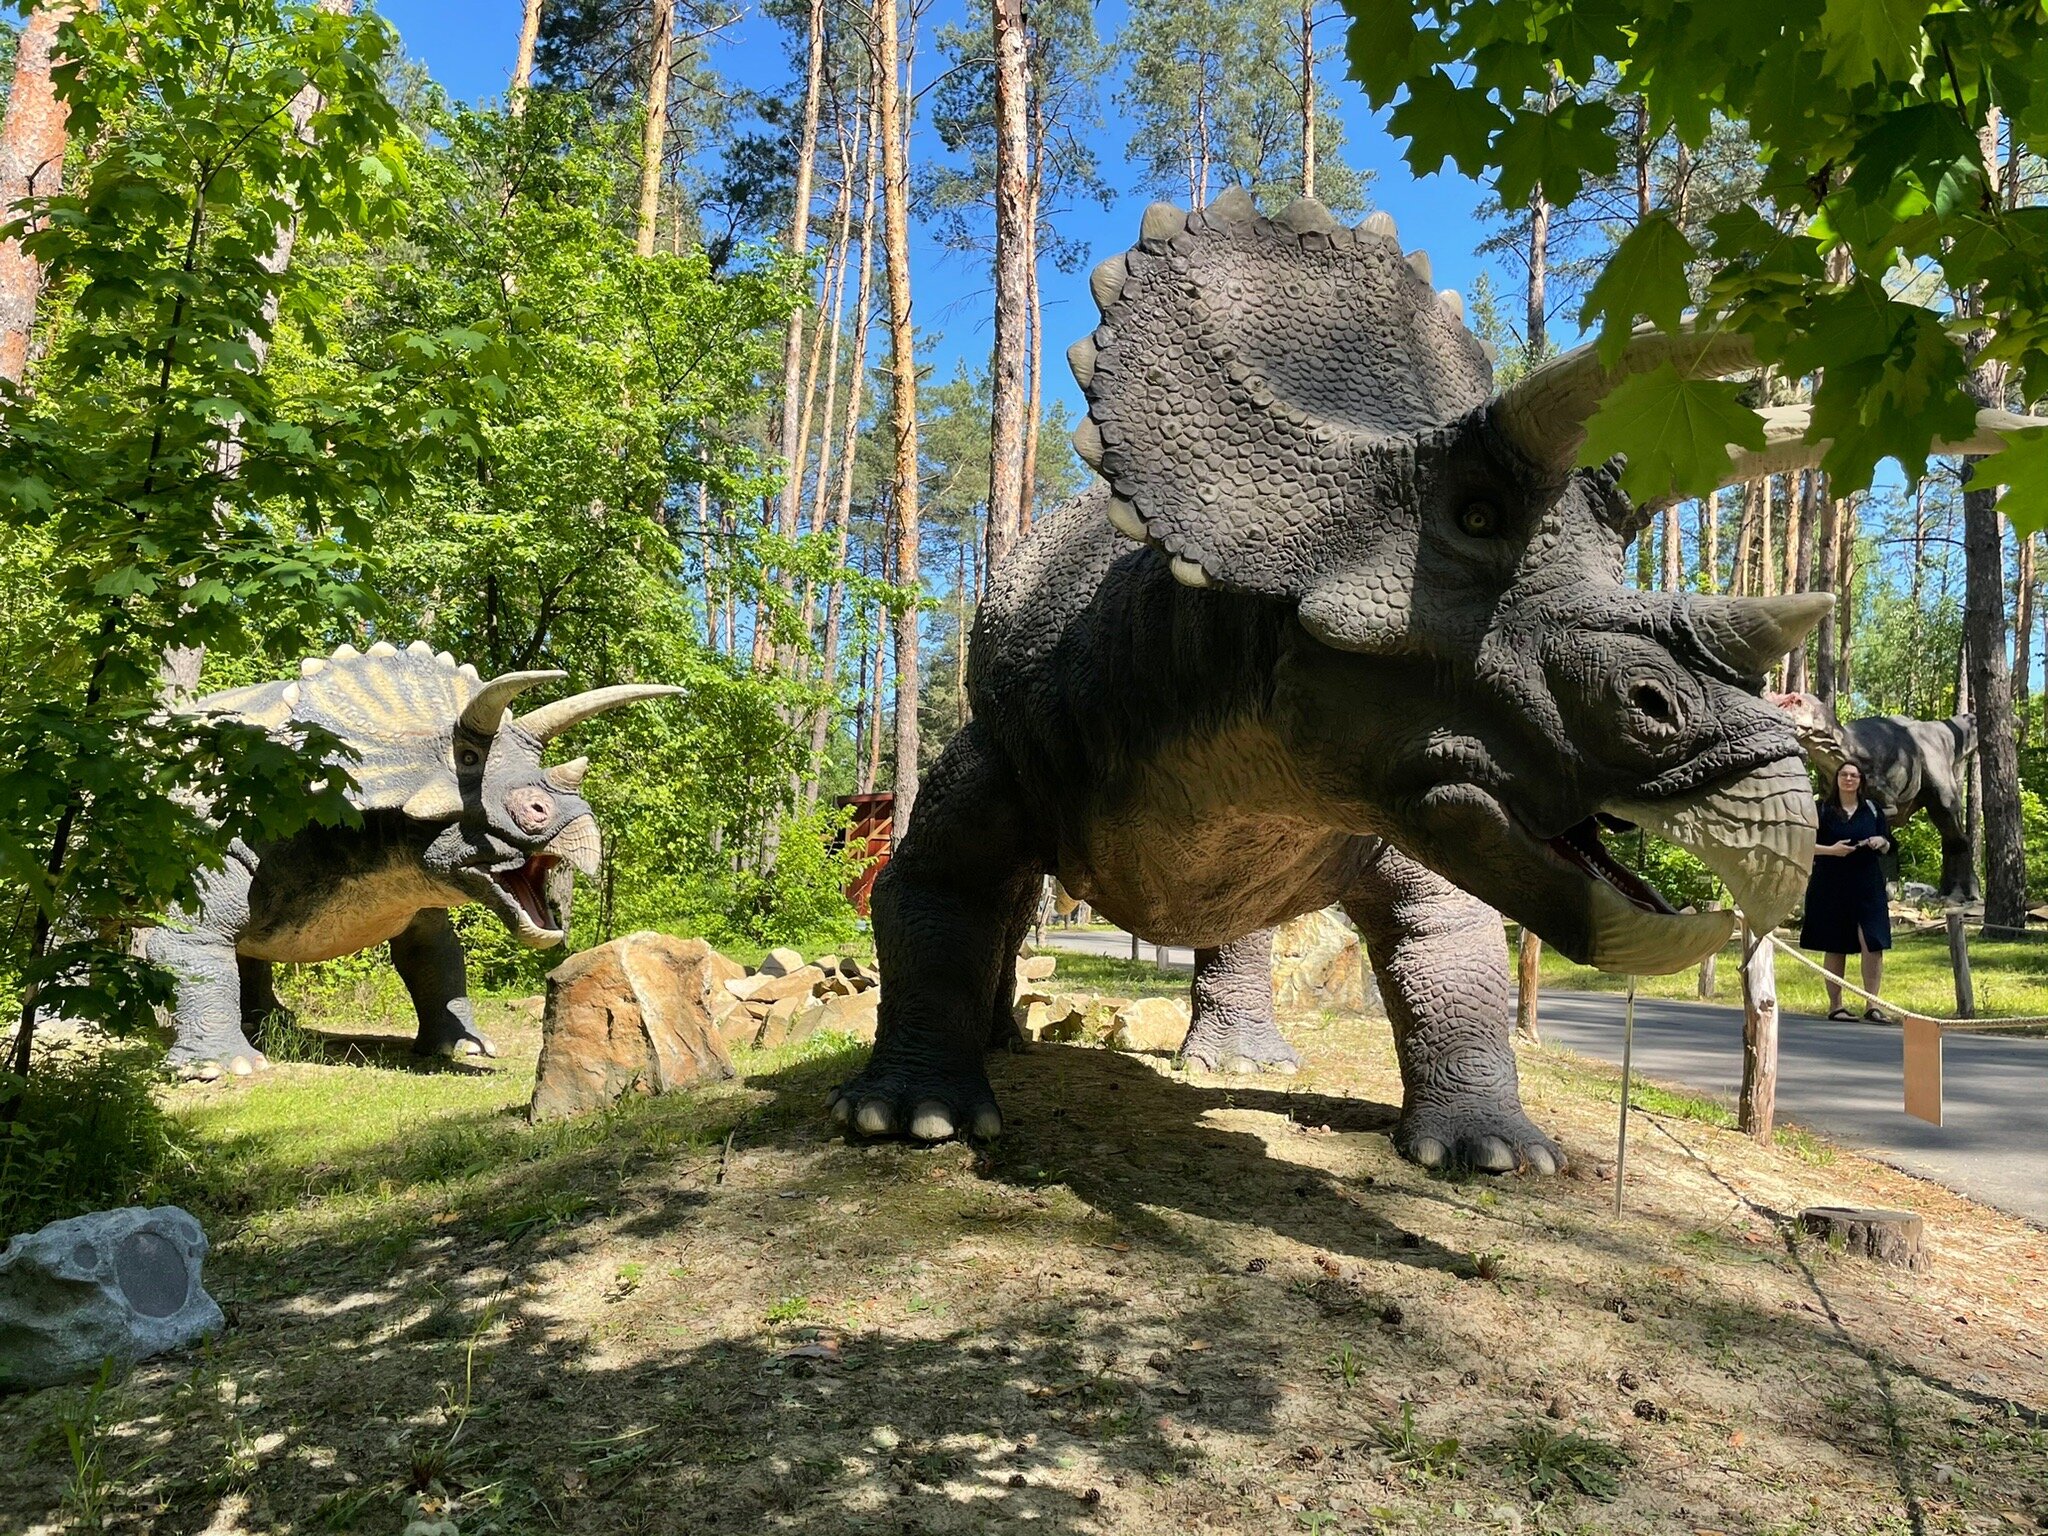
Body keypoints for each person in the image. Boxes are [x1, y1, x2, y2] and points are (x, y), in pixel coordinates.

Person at [1798, 760, 1895, 1021]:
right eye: (1844, 775)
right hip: (1831, 883)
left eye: (1854, 775)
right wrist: (1832, 851)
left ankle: (1872, 1004)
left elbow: (1890, 843)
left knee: (1872, 942)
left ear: (1861, 780)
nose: (1848, 779)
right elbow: (1802, 843)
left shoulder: (1872, 810)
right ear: (1837, 779)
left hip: (1868, 884)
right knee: (1836, 943)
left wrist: (1880, 841)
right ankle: (1836, 1006)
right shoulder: (1822, 809)